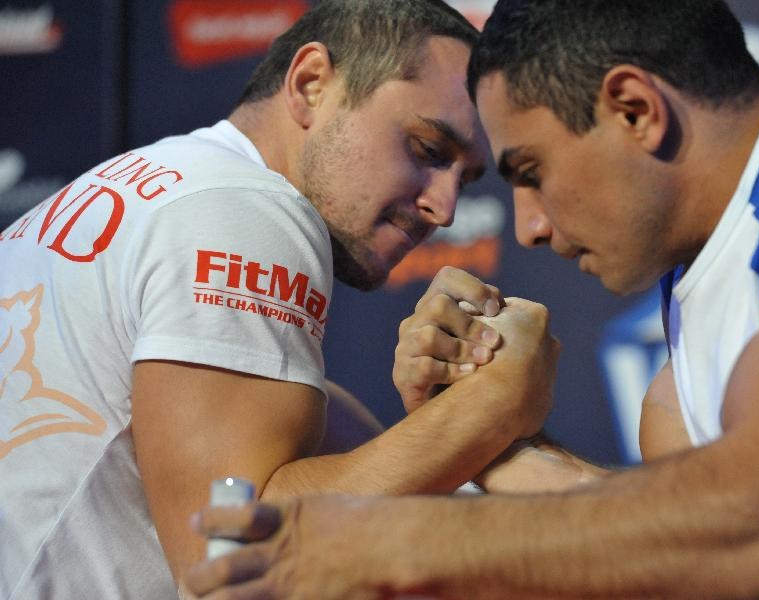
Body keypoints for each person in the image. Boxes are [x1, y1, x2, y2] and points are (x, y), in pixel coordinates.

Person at [184, 0, 759, 598]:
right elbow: (685, 547)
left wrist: (385, 542)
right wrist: (494, 442)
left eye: (529, 171)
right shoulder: (699, 291)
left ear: (634, 109)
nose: (526, 226)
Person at [0, 1, 560, 597]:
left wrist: (459, 423)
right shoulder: (246, 206)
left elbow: (342, 476)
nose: (443, 208)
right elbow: (225, 564)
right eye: (426, 149)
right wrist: (488, 409)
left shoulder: (168, 183)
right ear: (311, 83)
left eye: (464, 180)